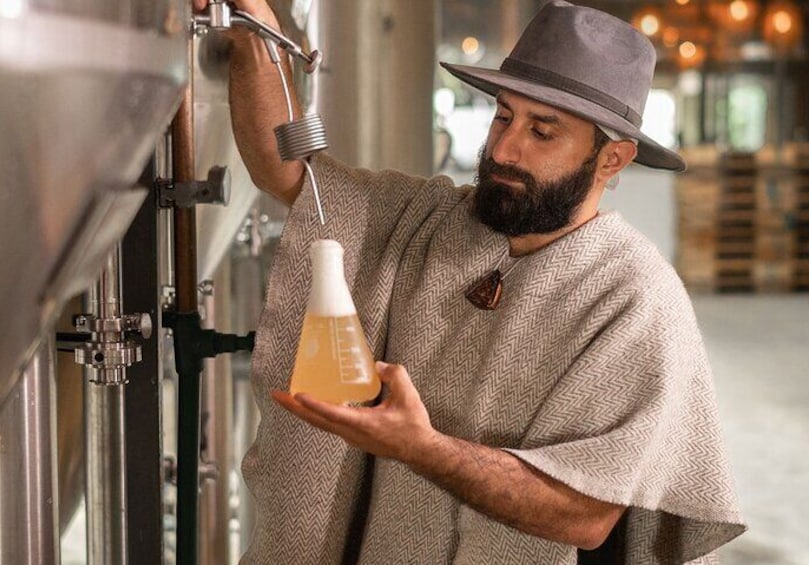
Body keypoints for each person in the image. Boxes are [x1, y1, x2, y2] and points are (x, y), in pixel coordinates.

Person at [194, 0, 747, 562]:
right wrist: (252, 26)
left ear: (612, 159)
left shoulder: (634, 296)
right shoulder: (428, 219)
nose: (505, 149)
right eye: (504, 116)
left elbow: (586, 512)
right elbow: (288, 169)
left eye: (543, 131)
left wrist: (422, 448)